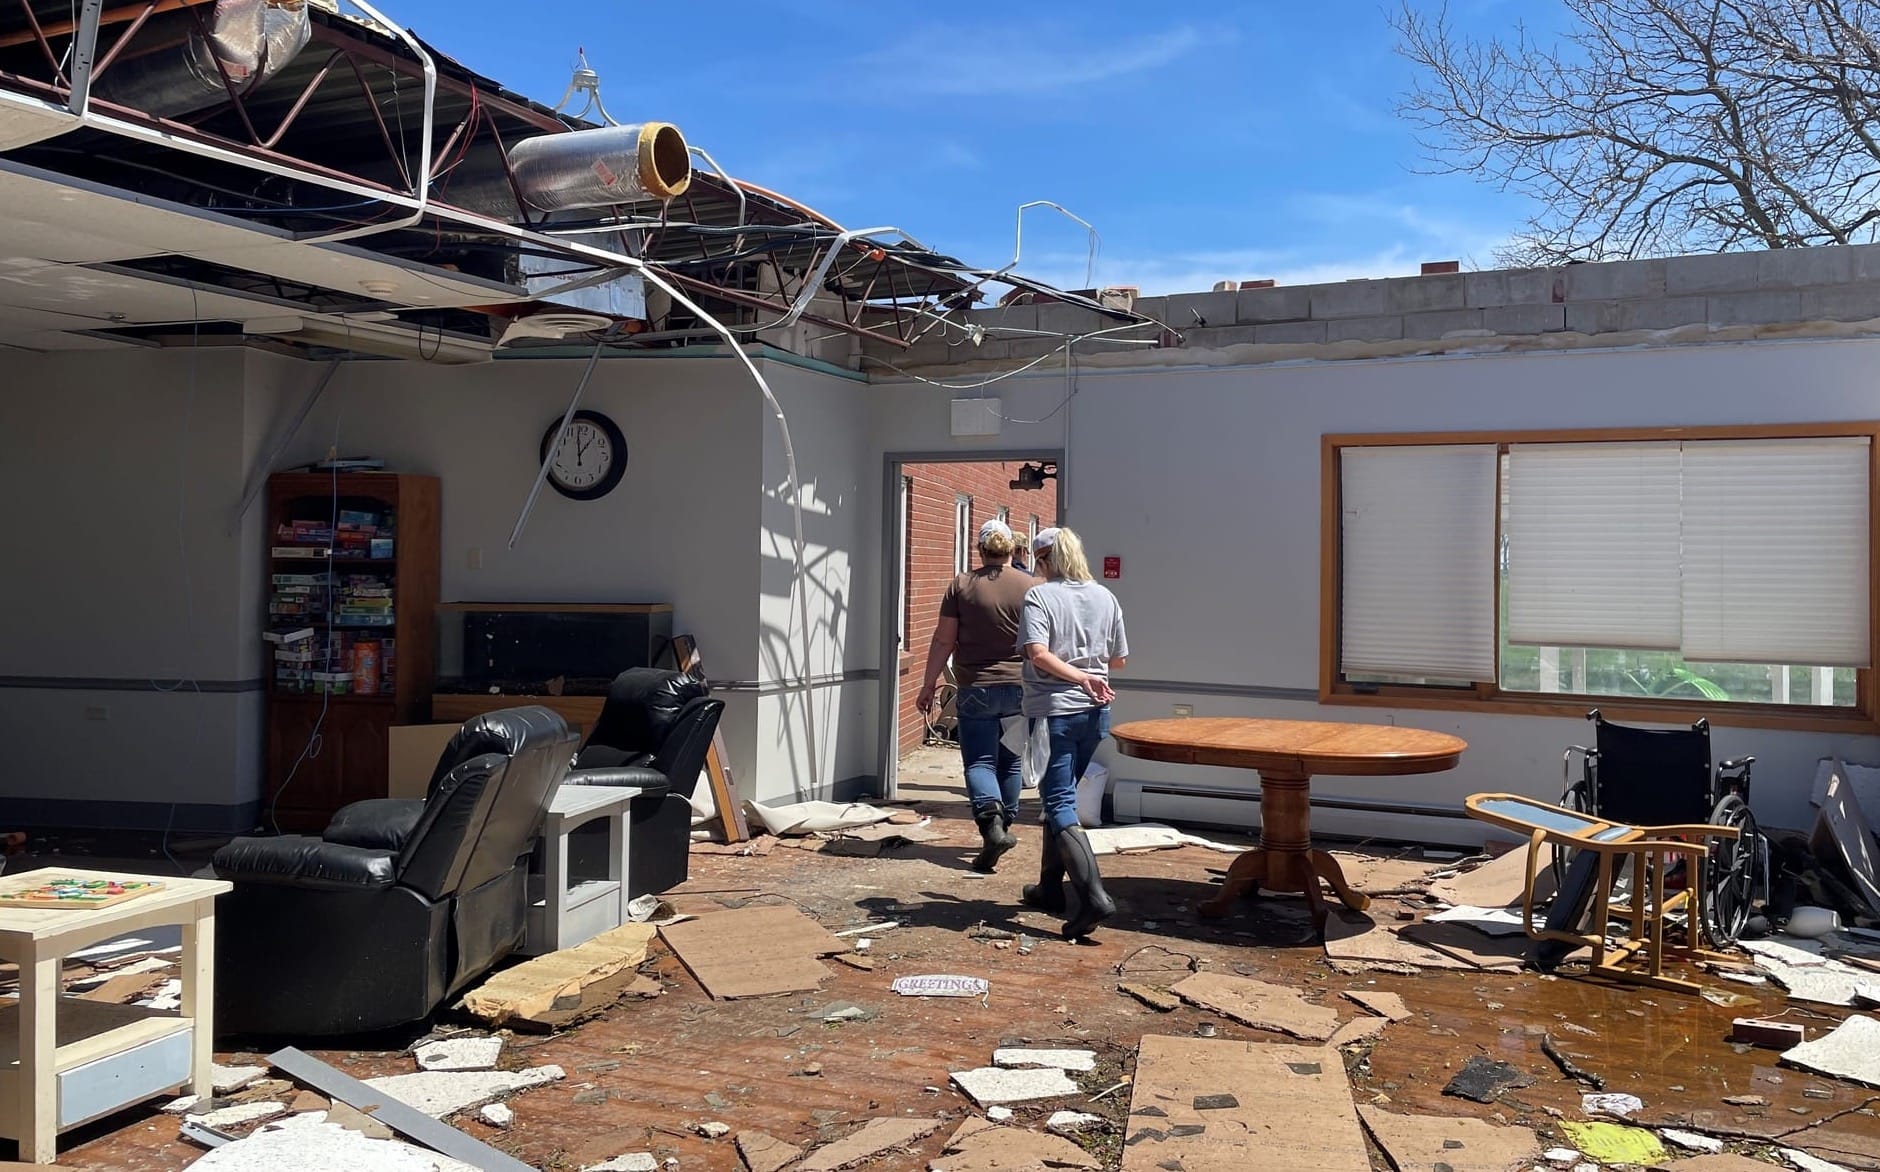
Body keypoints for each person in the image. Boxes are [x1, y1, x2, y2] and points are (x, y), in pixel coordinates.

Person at [1019, 526, 1128, 940]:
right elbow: (1118, 660)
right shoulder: (1105, 596)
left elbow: (1037, 653)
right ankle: (1049, 888)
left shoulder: (1040, 596)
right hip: (1095, 715)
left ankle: (1094, 897)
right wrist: (1089, 673)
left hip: (1054, 713)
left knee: (1059, 800)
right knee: (1057, 795)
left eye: (1036, 561)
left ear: (1045, 560)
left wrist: (1078, 676)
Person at [916, 518, 1037, 871]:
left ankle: (991, 826)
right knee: (1010, 760)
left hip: (976, 687)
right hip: (1019, 688)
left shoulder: (962, 586)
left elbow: (943, 640)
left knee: (980, 762)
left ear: (981, 550)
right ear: (1013, 549)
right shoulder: (1031, 587)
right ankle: (1003, 826)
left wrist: (928, 684)